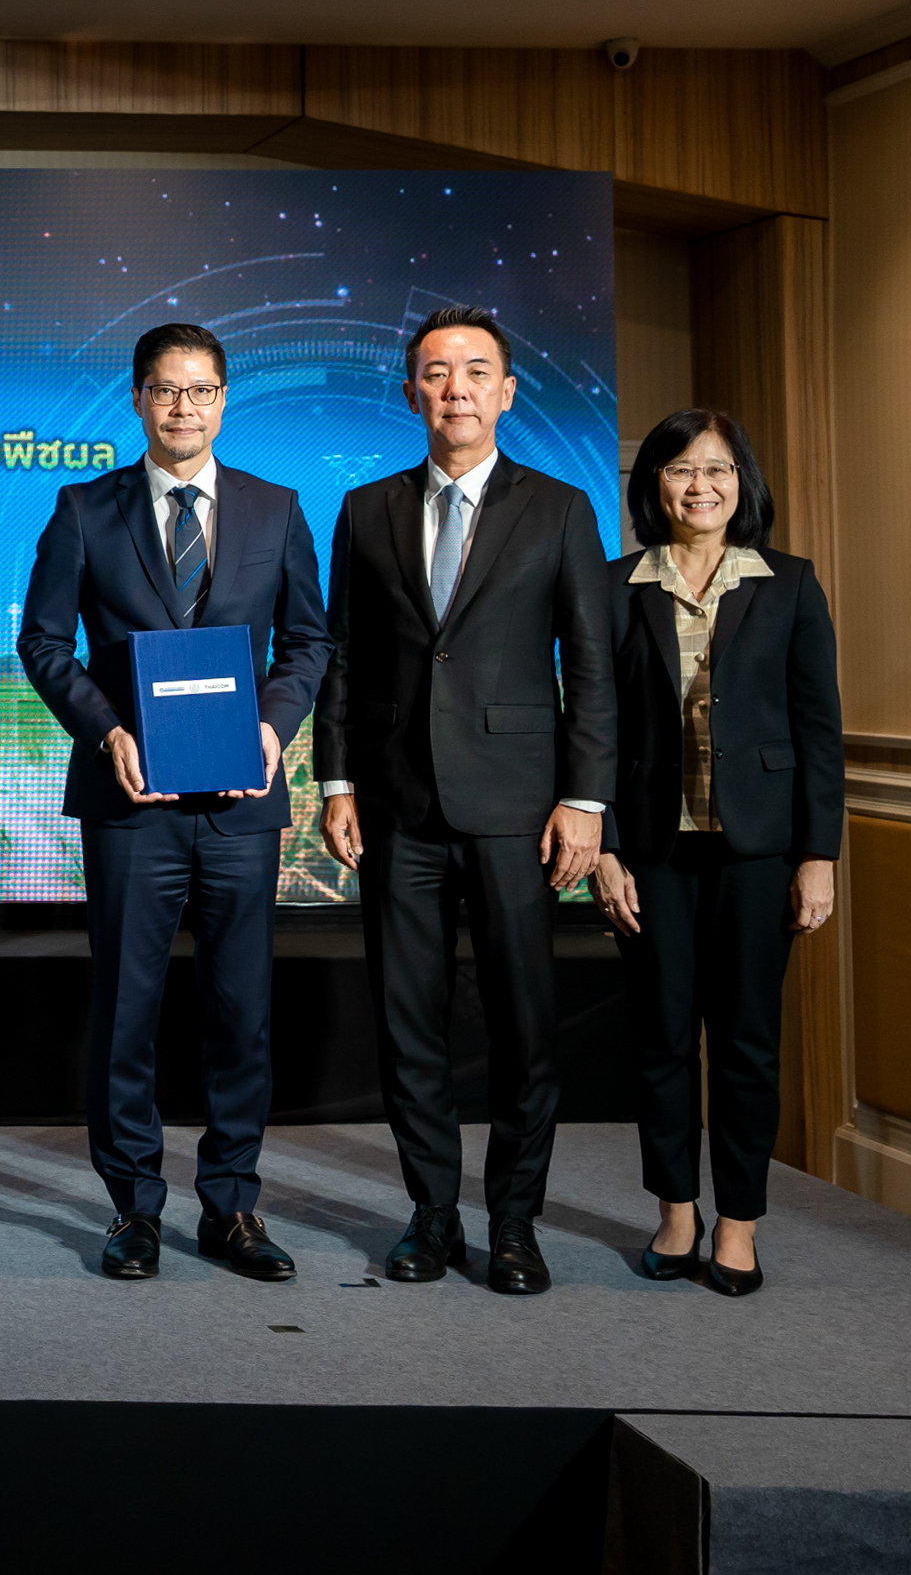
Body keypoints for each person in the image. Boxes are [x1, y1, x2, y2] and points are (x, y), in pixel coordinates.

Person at [19, 322, 332, 1283]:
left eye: (199, 391)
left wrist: (273, 728)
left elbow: (308, 643)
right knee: (127, 1009)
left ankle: (231, 1206)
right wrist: (105, 731)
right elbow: (42, 643)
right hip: (130, 803)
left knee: (241, 1013)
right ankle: (134, 1209)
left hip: (241, 802)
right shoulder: (83, 509)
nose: (182, 407)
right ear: (138, 399)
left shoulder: (277, 510)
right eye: (164, 390)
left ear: (222, 400)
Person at [315, 305, 615, 1295]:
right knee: (408, 1021)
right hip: (395, 805)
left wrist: (585, 798)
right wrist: (337, 779)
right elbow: (343, 655)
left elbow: (591, 666)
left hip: (518, 809)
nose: (456, 389)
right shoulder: (365, 509)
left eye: (476, 371)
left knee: (525, 1023)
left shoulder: (560, 508)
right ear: (412, 393)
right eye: (437, 373)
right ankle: (432, 1215)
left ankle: (515, 1222)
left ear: (506, 392)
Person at [590, 410, 839, 1298]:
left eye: (718, 470)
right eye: (680, 470)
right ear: (652, 484)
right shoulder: (614, 585)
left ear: (743, 483)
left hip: (758, 852)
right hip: (650, 851)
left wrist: (818, 855)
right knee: (659, 1040)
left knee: (745, 1043)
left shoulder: (789, 583)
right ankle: (674, 1212)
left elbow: (817, 728)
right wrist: (604, 847)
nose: (700, 486)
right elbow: (594, 725)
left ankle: (737, 1222)